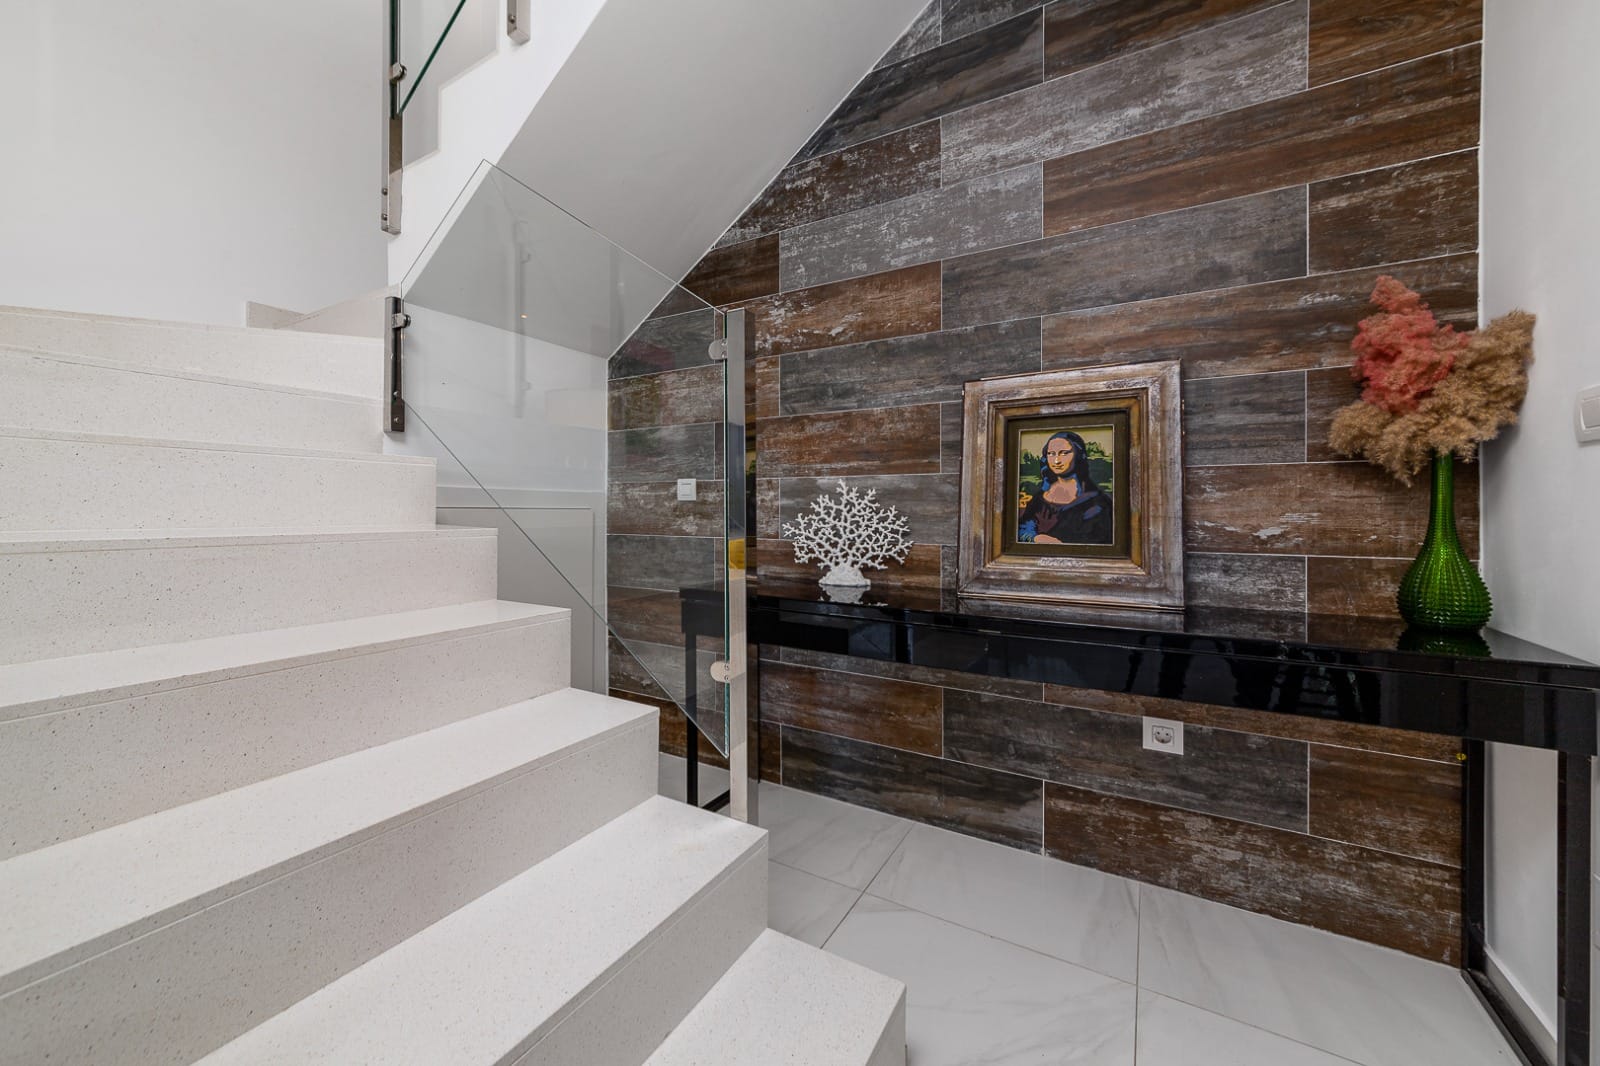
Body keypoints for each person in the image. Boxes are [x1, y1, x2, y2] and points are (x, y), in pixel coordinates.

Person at [1017, 430, 1113, 546]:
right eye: (1051, 454)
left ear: (1078, 454)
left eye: (1064, 453)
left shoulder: (1098, 503)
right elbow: (1022, 528)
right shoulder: (1039, 497)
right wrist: (1035, 538)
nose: (1056, 461)